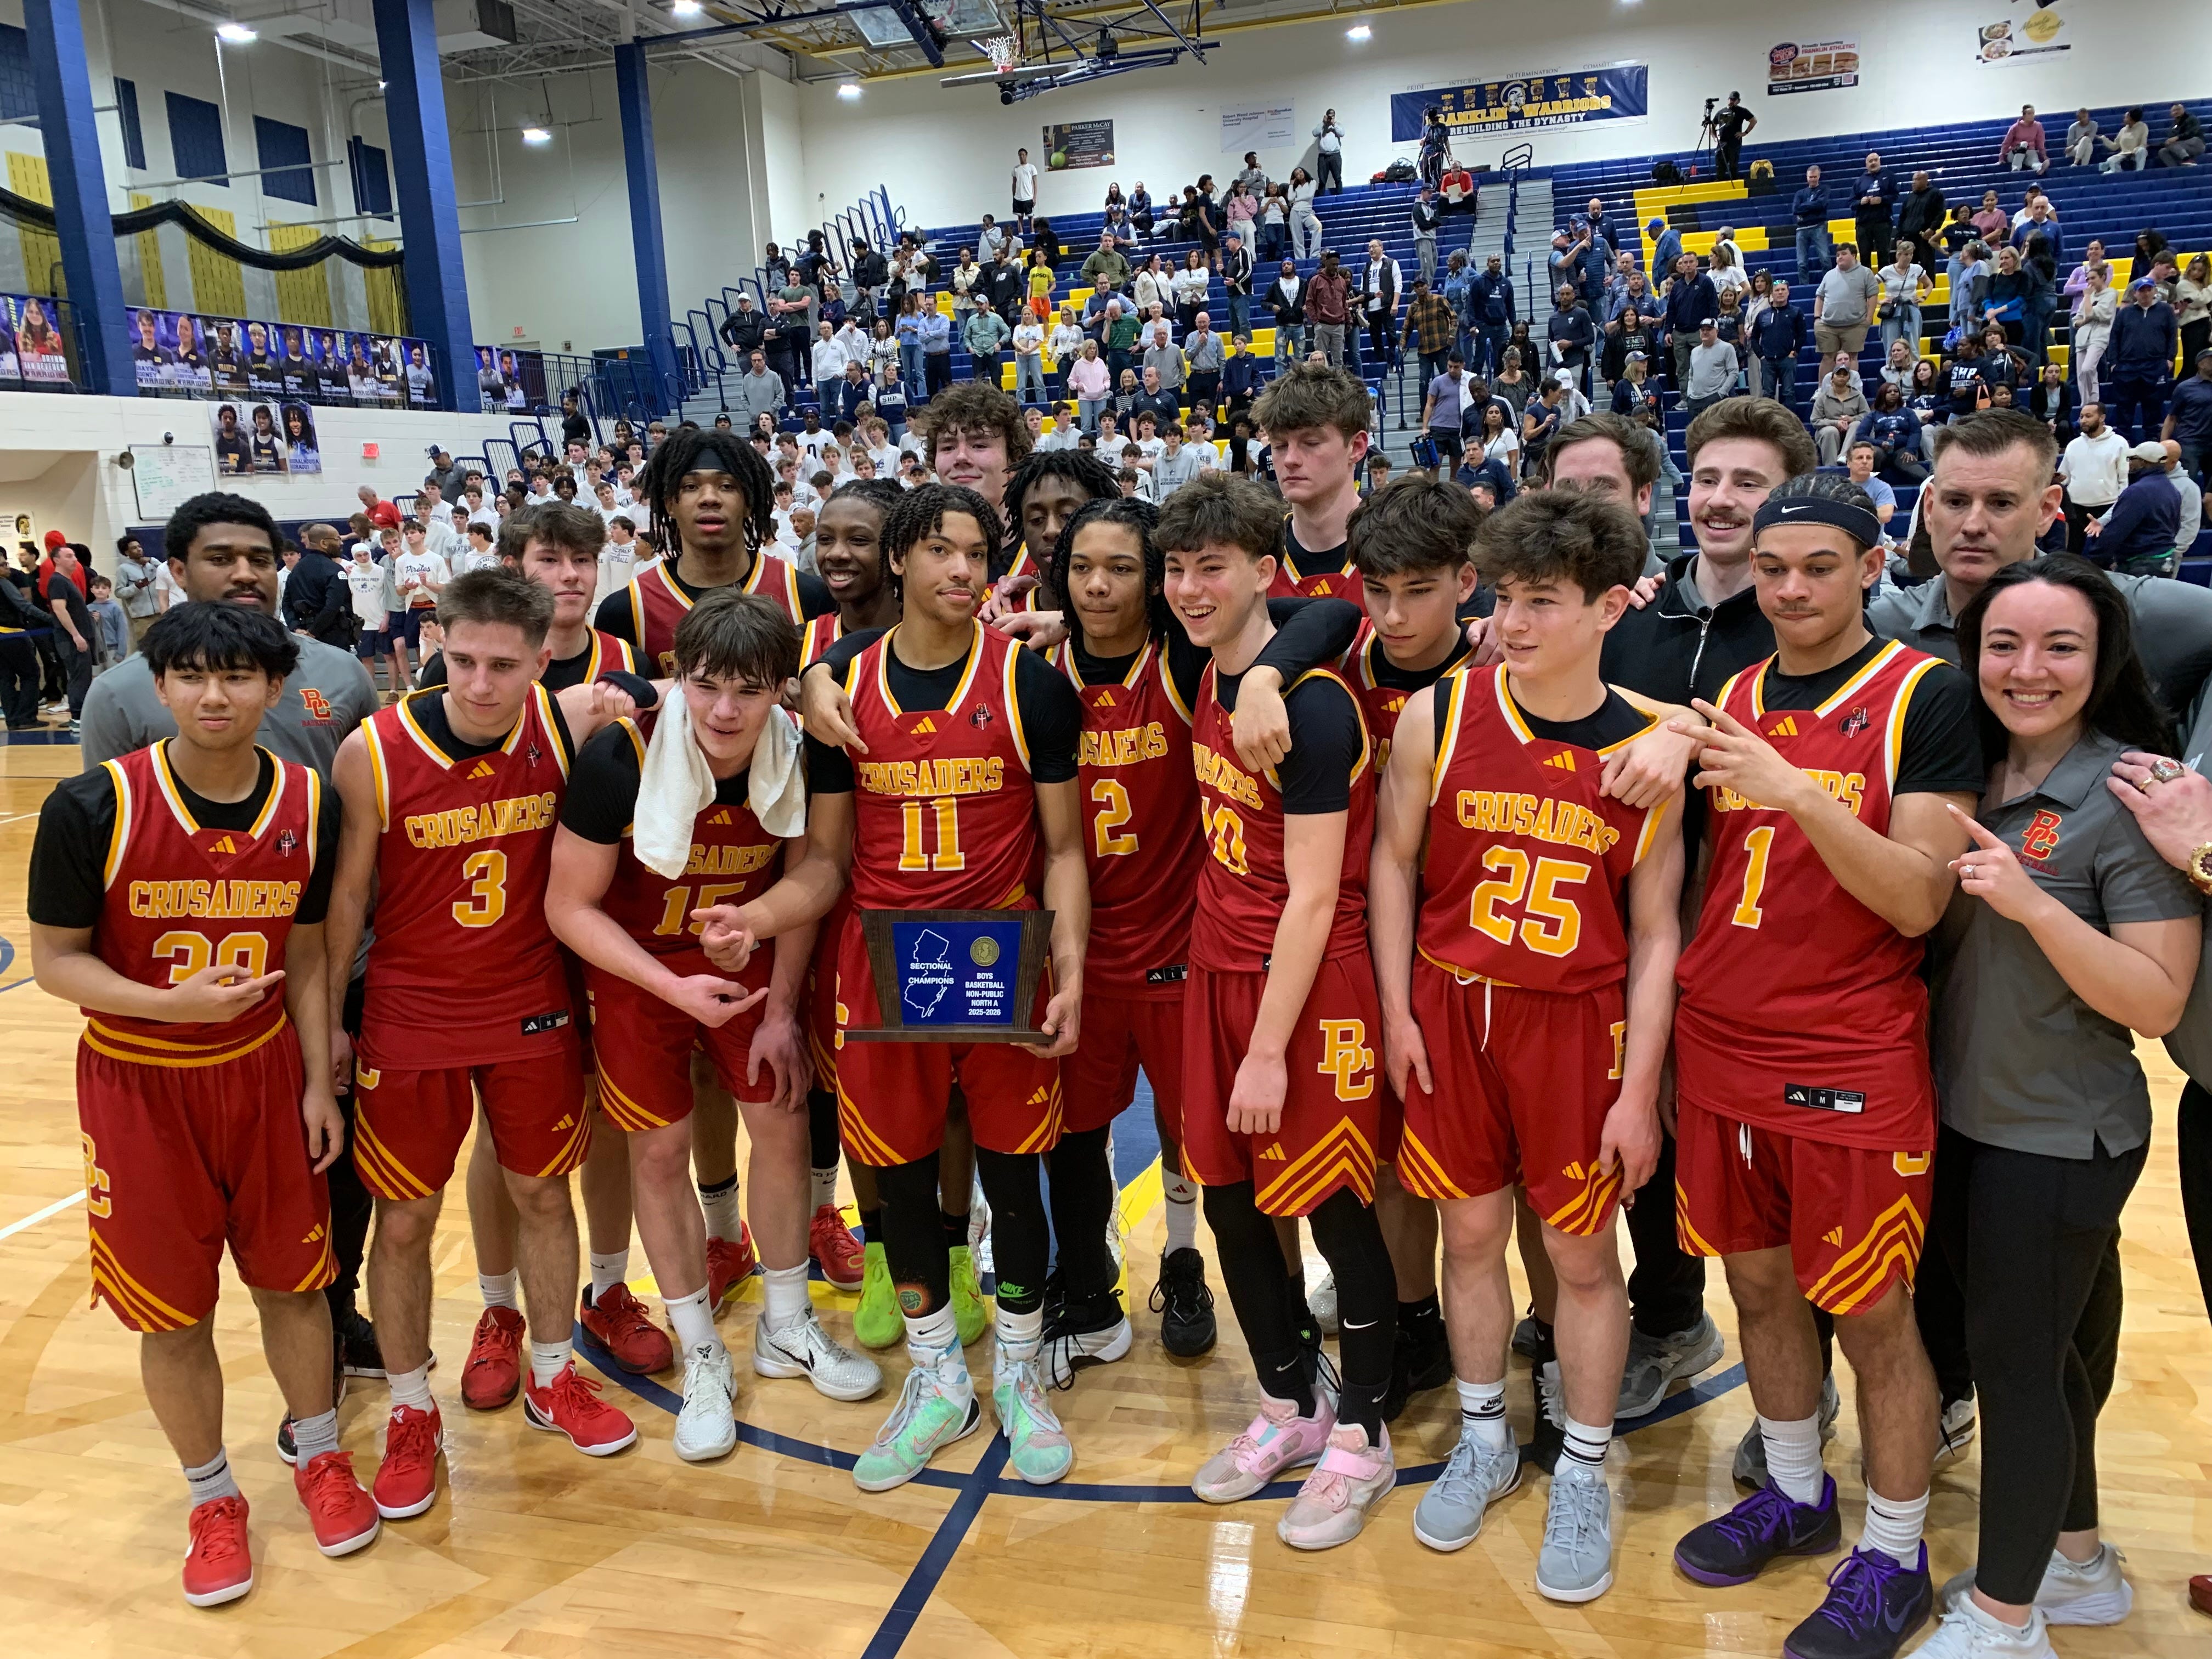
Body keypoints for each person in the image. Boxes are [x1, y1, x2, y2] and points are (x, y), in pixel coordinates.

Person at [707, 484, 1088, 1492]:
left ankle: (1015, 1366)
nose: (961, 571)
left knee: (1011, 1178)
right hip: (885, 964)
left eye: (977, 554)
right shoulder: (844, 686)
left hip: (1004, 951)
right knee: (903, 1183)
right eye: (941, 552)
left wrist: (1073, 969)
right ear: (903, 561)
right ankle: (935, 1375)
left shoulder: (1030, 685)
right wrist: (759, 917)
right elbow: (825, 863)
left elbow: (1062, 846)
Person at [1667, 471, 1984, 1659]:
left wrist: (1796, 792)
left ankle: (1894, 1558)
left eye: (1818, 567)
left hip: (1848, 1053)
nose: (1791, 588)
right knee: (1754, 1291)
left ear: (1869, 568)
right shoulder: (1733, 687)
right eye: (1772, 567)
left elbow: (1915, 898)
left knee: (1872, 1316)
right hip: (1722, 1045)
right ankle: (1796, 1493)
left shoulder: (1927, 695)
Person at [28, 602, 379, 1607]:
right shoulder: (92, 805)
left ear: (276, 688)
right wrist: (163, 1002)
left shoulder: (311, 802)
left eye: (236, 676)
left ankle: (318, 1454)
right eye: (191, 675)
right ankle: (212, 1495)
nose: (213, 695)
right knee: (172, 1310)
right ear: (160, 684)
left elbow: (312, 957)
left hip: (265, 1073)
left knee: (295, 1282)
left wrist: (319, 1079)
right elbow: (55, 963)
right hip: (139, 1080)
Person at [1373, 483, 1681, 1594]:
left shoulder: (1650, 750)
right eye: (1505, 597)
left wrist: (1639, 1090)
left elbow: (1656, 938)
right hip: (1454, 1009)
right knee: (1466, 1240)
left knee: (1584, 1258)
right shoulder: (1440, 714)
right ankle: (1485, 1438)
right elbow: (1393, 863)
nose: (1513, 622)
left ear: (1610, 607)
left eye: (1543, 601)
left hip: (1577, 1024)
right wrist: (1401, 1009)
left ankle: (1587, 1469)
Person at [323, 568, 652, 1521]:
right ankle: (412, 1408)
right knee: (407, 1218)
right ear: (438, 647)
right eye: (460, 659)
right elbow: (348, 899)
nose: (477, 682)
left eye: (502, 664)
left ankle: (554, 1373)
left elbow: (688, 695)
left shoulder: (569, 723)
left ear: (540, 660)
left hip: (532, 1005)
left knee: (542, 1192)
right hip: (410, 1012)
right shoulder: (369, 752)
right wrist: (331, 1023)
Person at [1108, 473, 1389, 1548]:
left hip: (1306, 990)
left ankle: (1363, 1434)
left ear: (1264, 571)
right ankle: (1290, 1405)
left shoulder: (1312, 706)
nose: (1187, 588)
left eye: (1210, 567)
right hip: (1213, 971)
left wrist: (1268, 1051)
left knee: (1332, 1211)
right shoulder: (1207, 675)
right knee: (1227, 1202)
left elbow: (1318, 893)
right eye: (1176, 569)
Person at [1020, 494, 1359, 1380]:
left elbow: (1330, 613)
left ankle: (1187, 1266)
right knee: (1076, 1132)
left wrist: (1262, 674)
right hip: (1082, 953)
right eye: (1082, 566)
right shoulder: (1034, 668)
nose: (1101, 584)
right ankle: (1089, 1293)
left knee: (1209, 1152)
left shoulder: (1185, 658)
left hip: (1188, 950)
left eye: (1124, 566)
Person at [545, 590, 877, 1460]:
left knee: (783, 1121)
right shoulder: (620, 756)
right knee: (657, 1152)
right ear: (677, 678)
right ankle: (700, 1353)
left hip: (748, 965)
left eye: (749, 689)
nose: (725, 710)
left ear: (782, 692)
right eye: (707, 686)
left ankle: (786, 1325)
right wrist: (669, 985)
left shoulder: (798, 753)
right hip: (638, 969)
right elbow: (570, 906)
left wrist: (776, 997)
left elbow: (816, 881)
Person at [2059, 404, 2131, 554]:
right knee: (2072, 554)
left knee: (2103, 556)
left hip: (2106, 507)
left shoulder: (2119, 443)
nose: (2083, 420)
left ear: (2102, 418)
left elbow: (2124, 480)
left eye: (2088, 416)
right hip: (2076, 508)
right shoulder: (2074, 445)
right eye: (2081, 417)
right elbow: (2064, 476)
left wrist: (2117, 507)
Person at [42, 541, 97, 735]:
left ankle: (81, 716)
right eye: (69, 556)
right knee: (78, 678)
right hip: (72, 640)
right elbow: (59, 609)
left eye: (74, 556)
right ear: (56, 560)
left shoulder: (66, 580)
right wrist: (76, 635)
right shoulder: (57, 581)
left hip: (79, 637)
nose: (74, 559)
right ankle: (77, 718)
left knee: (83, 677)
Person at [1813, 242, 1880, 360]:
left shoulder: (1866, 273)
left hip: (1855, 325)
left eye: (1844, 254)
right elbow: (1820, 296)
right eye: (1838, 254)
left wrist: (1869, 319)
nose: (1840, 257)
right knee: (1827, 358)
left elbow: (1873, 295)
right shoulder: (1829, 274)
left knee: (1851, 357)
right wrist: (1817, 318)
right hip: (1827, 325)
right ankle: (1824, 380)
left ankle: (1852, 379)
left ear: (1854, 256)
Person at [1812, 363, 1871, 466]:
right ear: (1832, 378)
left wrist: (1852, 419)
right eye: (1839, 374)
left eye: (1845, 374)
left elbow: (1867, 415)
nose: (1842, 377)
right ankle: (1830, 467)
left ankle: (1844, 456)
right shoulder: (1823, 397)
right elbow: (1815, 420)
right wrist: (1836, 423)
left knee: (1857, 424)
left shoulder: (1858, 395)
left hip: (1851, 431)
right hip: (1828, 429)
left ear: (1849, 378)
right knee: (1831, 431)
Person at [1792, 165, 1833, 286]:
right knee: (1801, 263)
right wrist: (1813, 207)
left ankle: (1830, 284)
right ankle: (1804, 286)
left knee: (1825, 258)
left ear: (1819, 176)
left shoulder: (1825, 189)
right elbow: (1795, 209)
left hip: (1818, 226)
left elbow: (1822, 204)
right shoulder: (1800, 193)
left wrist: (1804, 207)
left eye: (1815, 177)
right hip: (1802, 229)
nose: (1813, 179)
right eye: (1811, 177)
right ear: (1807, 177)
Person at [1852, 152, 1895, 267]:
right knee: (1865, 256)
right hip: (1864, 223)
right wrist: (1860, 202)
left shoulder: (1889, 176)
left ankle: (1885, 282)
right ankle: (1867, 284)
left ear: (1879, 161)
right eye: (1870, 161)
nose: (1873, 163)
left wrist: (1882, 200)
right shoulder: (1859, 181)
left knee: (1884, 254)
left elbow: (1895, 196)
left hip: (1883, 222)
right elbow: (1851, 202)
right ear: (1866, 164)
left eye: (1875, 160)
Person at [1712, 91, 1755, 180]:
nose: (1732, 101)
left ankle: (1734, 182)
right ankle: (1720, 182)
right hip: (1723, 142)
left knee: (1733, 165)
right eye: (1730, 99)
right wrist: (1715, 137)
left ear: (1738, 101)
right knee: (1720, 165)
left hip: (1734, 142)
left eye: (1734, 100)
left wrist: (1745, 133)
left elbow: (1753, 121)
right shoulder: (1721, 112)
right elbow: (1712, 125)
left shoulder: (1742, 111)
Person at [2000, 105, 2048, 173]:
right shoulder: (2015, 127)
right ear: (2024, 115)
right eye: (2029, 114)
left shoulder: (2038, 126)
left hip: (2030, 151)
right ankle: (2016, 167)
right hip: (2015, 154)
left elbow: (2040, 141)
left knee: (2034, 161)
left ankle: (2039, 168)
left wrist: (2044, 155)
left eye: (2033, 113)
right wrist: (2002, 156)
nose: (2032, 115)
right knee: (2024, 144)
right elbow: (2007, 142)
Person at [2100, 109, 2149, 173]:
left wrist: (2136, 150)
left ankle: (2139, 172)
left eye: (2126, 117)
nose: (2124, 119)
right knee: (2111, 160)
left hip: (2137, 151)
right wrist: (2104, 139)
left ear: (2131, 119)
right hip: (2125, 154)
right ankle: (2120, 174)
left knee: (2142, 150)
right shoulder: (2123, 130)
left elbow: (2143, 143)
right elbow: (2115, 147)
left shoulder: (2143, 127)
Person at [2159, 101, 2204, 168]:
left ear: (2183, 110)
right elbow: (2169, 141)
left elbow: (2191, 133)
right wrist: (2151, 146)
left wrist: (2177, 138)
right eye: (2174, 110)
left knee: (2172, 143)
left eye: (2178, 109)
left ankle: (2187, 160)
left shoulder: (2192, 119)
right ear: (2171, 114)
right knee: (2163, 151)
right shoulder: (2174, 126)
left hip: (2196, 143)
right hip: (2181, 147)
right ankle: (2176, 169)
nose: (2176, 112)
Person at [1313, 109, 1345, 194]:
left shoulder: (1337, 125)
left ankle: (1340, 199)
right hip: (1323, 156)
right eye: (1330, 115)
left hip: (1335, 155)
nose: (1331, 117)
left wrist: (1334, 125)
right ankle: (1321, 200)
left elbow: (1342, 134)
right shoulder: (1321, 125)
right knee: (1322, 181)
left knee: (1338, 178)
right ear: (1326, 116)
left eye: (1333, 115)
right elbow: (1314, 133)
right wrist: (1324, 123)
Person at [1011, 146, 1039, 234]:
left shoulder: (1031, 167)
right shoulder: (1016, 169)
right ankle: (1021, 234)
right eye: (1020, 155)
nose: (1021, 157)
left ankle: (1032, 233)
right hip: (1018, 198)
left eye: (1023, 155)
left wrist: (1034, 197)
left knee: (1031, 217)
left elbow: (1035, 183)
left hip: (1028, 197)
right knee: (1020, 217)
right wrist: (1014, 196)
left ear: (1026, 156)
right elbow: (1014, 183)